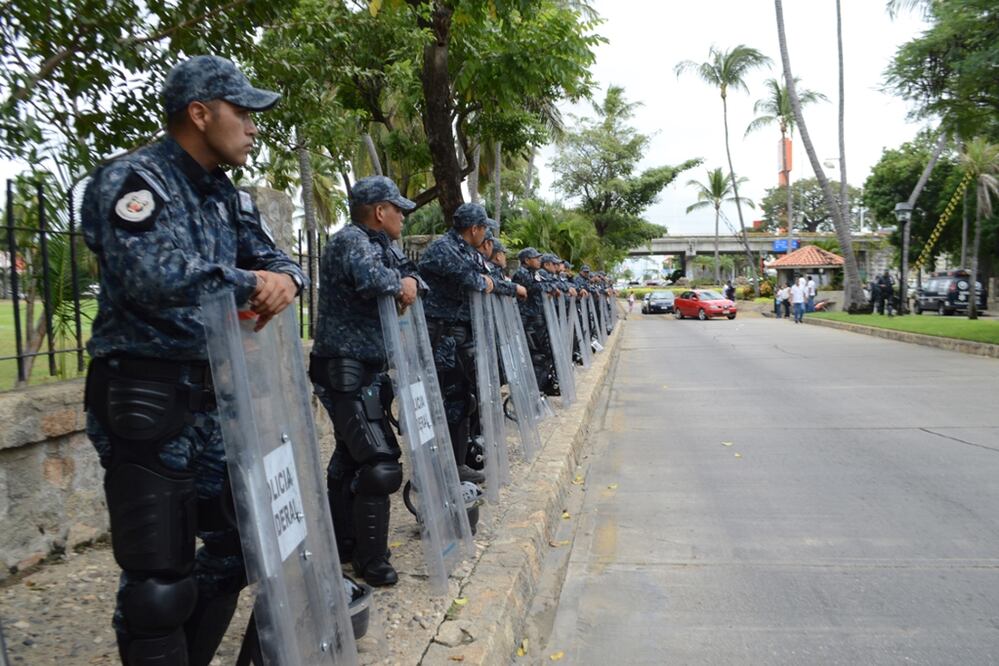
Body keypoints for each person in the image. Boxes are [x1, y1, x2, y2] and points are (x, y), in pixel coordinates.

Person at [81, 56, 305, 665]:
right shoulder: (134, 181)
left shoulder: (224, 194)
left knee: (239, 544)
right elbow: (151, 273)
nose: (254, 126)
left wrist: (286, 280)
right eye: (243, 112)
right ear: (200, 114)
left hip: (214, 398)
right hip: (144, 394)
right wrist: (251, 283)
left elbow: (281, 261)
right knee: (159, 580)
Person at [309, 175, 423, 587]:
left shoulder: (381, 246)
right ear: (380, 212)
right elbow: (373, 280)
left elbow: (416, 277)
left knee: (349, 459)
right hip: (344, 367)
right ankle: (370, 560)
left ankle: (343, 543)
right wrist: (403, 286)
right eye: (398, 210)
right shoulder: (350, 241)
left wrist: (408, 283)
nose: (403, 218)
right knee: (378, 464)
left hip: (368, 369)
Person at [419, 203, 522, 485]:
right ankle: (435, 469)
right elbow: (473, 280)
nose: (487, 233)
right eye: (484, 228)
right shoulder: (445, 249)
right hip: (438, 336)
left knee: (462, 400)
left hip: (456, 336)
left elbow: (488, 279)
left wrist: (506, 287)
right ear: (474, 229)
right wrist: (495, 283)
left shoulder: (465, 251)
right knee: (442, 402)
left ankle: (457, 462)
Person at [512, 247, 559, 394]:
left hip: (534, 319)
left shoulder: (534, 274)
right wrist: (550, 287)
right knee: (534, 355)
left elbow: (548, 285)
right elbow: (538, 287)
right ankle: (534, 389)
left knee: (541, 353)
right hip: (525, 321)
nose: (539, 260)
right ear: (526, 260)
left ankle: (542, 386)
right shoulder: (522, 274)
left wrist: (550, 287)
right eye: (536, 258)